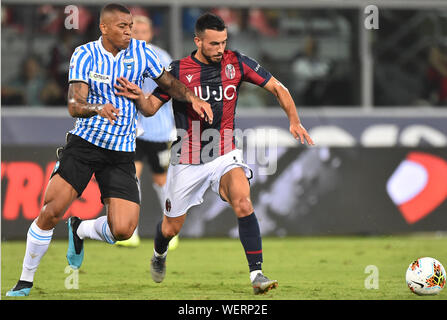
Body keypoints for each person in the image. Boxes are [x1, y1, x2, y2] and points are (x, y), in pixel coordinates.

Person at [5, 3, 212, 297]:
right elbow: (74, 105)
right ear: (104, 28)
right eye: (122, 27)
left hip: (121, 151)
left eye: (131, 26)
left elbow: (168, 84)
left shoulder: (142, 53)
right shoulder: (85, 54)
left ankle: (80, 229)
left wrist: (192, 99)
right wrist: (97, 108)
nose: (129, 32)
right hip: (85, 144)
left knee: (124, 230)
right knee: (51, 212)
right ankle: (25, 280)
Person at [116, 12, 314, 295]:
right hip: (187, 159)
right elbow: (149, 108)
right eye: (213, 44)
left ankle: (256, 273)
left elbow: (277, 88)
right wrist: (137, 97)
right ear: (197, 40)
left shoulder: (238, 62)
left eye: (223, 42)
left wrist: (294, 120)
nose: (220, 49)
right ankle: (159, 254)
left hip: (224, 153)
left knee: (243, 201)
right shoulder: (178, 70)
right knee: (170, 228)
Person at [115, 15, 178, 249]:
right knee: (132, 177)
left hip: (159, 130)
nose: (139, 34)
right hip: (131, 130)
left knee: (162, 181)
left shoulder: (161, 57)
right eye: (135, 30)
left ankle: (169, 229)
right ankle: (130, 231)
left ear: (150, 33)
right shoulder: (119, 56)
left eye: (143, 30)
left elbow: (171, 88)